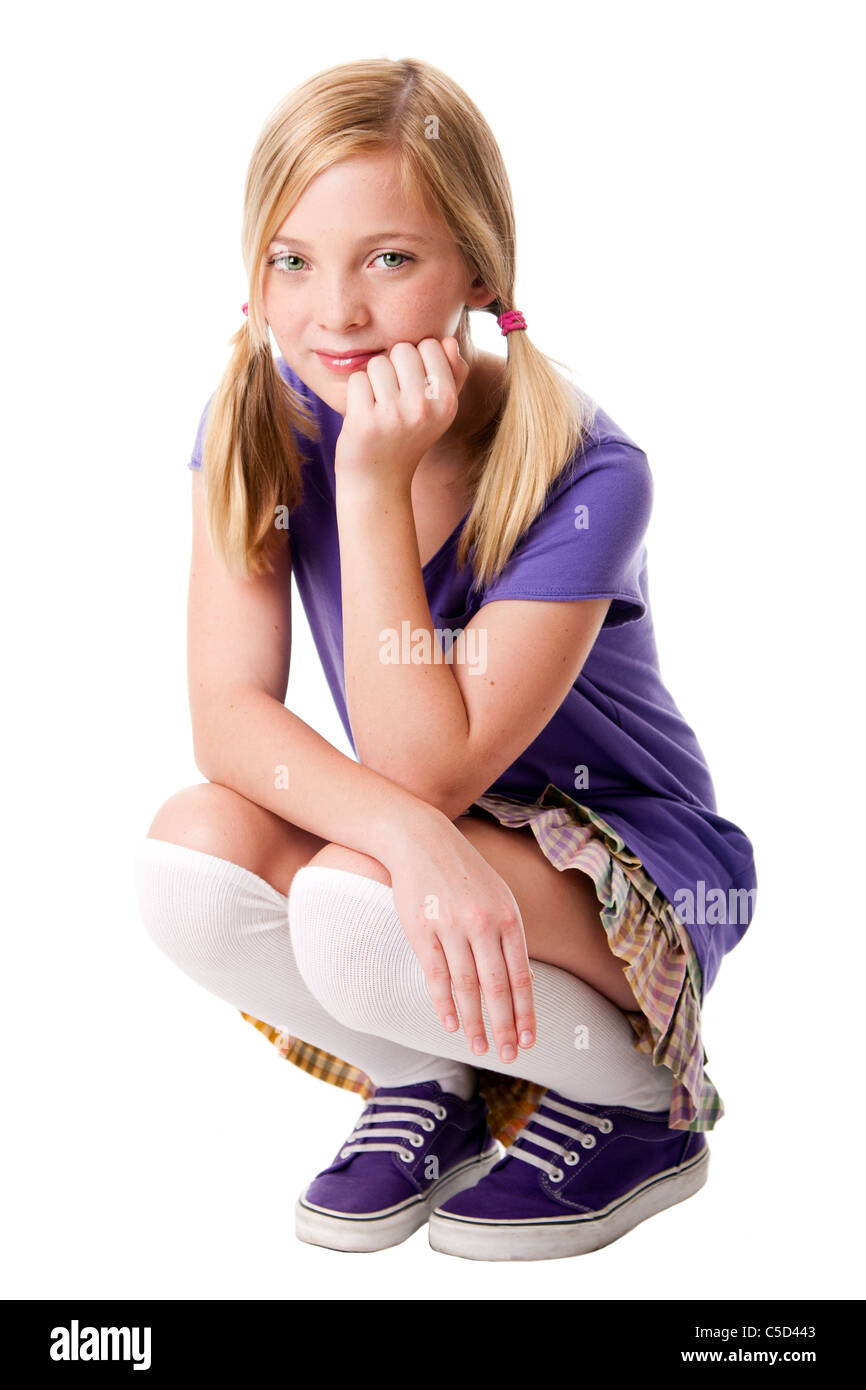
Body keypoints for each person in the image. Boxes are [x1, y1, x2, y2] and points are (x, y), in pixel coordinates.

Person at [133, 56, 757, 1263]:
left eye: (389, 258)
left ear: (477, 267)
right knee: (191, 854)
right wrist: (411, 838)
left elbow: (428, 768)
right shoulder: (256, 423)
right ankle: (431, 1080)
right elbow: (228, 716)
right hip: (429, 830)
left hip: (619, 856)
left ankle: (638, 1105)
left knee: (356, 898)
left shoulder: (587, 468)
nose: (335, 315)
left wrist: (367, 486)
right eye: (292, 260)